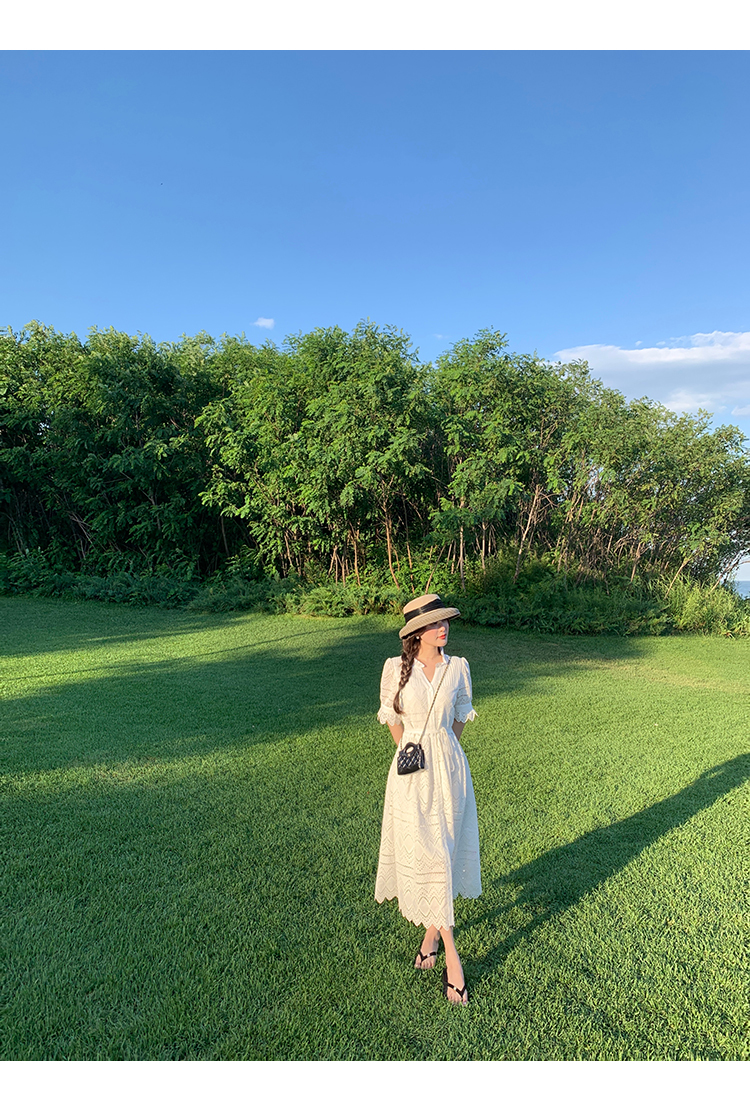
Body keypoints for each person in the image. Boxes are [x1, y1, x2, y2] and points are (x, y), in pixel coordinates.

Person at [375, 593, 481, 1005]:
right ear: (416, 632)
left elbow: (460, 715)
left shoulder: (459, 667)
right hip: (411, 776)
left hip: (450, 771)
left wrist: (444, 750)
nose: (443, 628)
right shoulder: (394, 669)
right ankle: (453, 958)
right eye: (434, 623)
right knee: (430, 854)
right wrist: (411, 753)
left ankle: (432, 936)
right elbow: (392, 719)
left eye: (444, 621)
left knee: (444, 853)